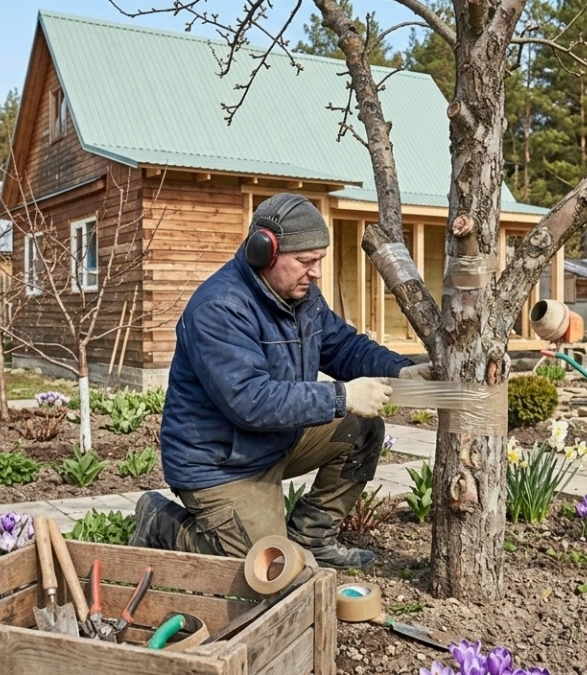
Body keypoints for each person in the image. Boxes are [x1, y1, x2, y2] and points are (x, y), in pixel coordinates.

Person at [129, 193, 432, 568]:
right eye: (306, 261)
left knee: (363, 428)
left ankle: (314, 536)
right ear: (264, 253)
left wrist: (401, 370)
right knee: (268, 568)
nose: (316, 272)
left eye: (319, 260)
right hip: (221, 463)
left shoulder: (300, 297)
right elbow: (250, 401)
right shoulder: (220, 309)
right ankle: (163, 523)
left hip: (272, 441)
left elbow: (343, 346)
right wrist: (341, 396)